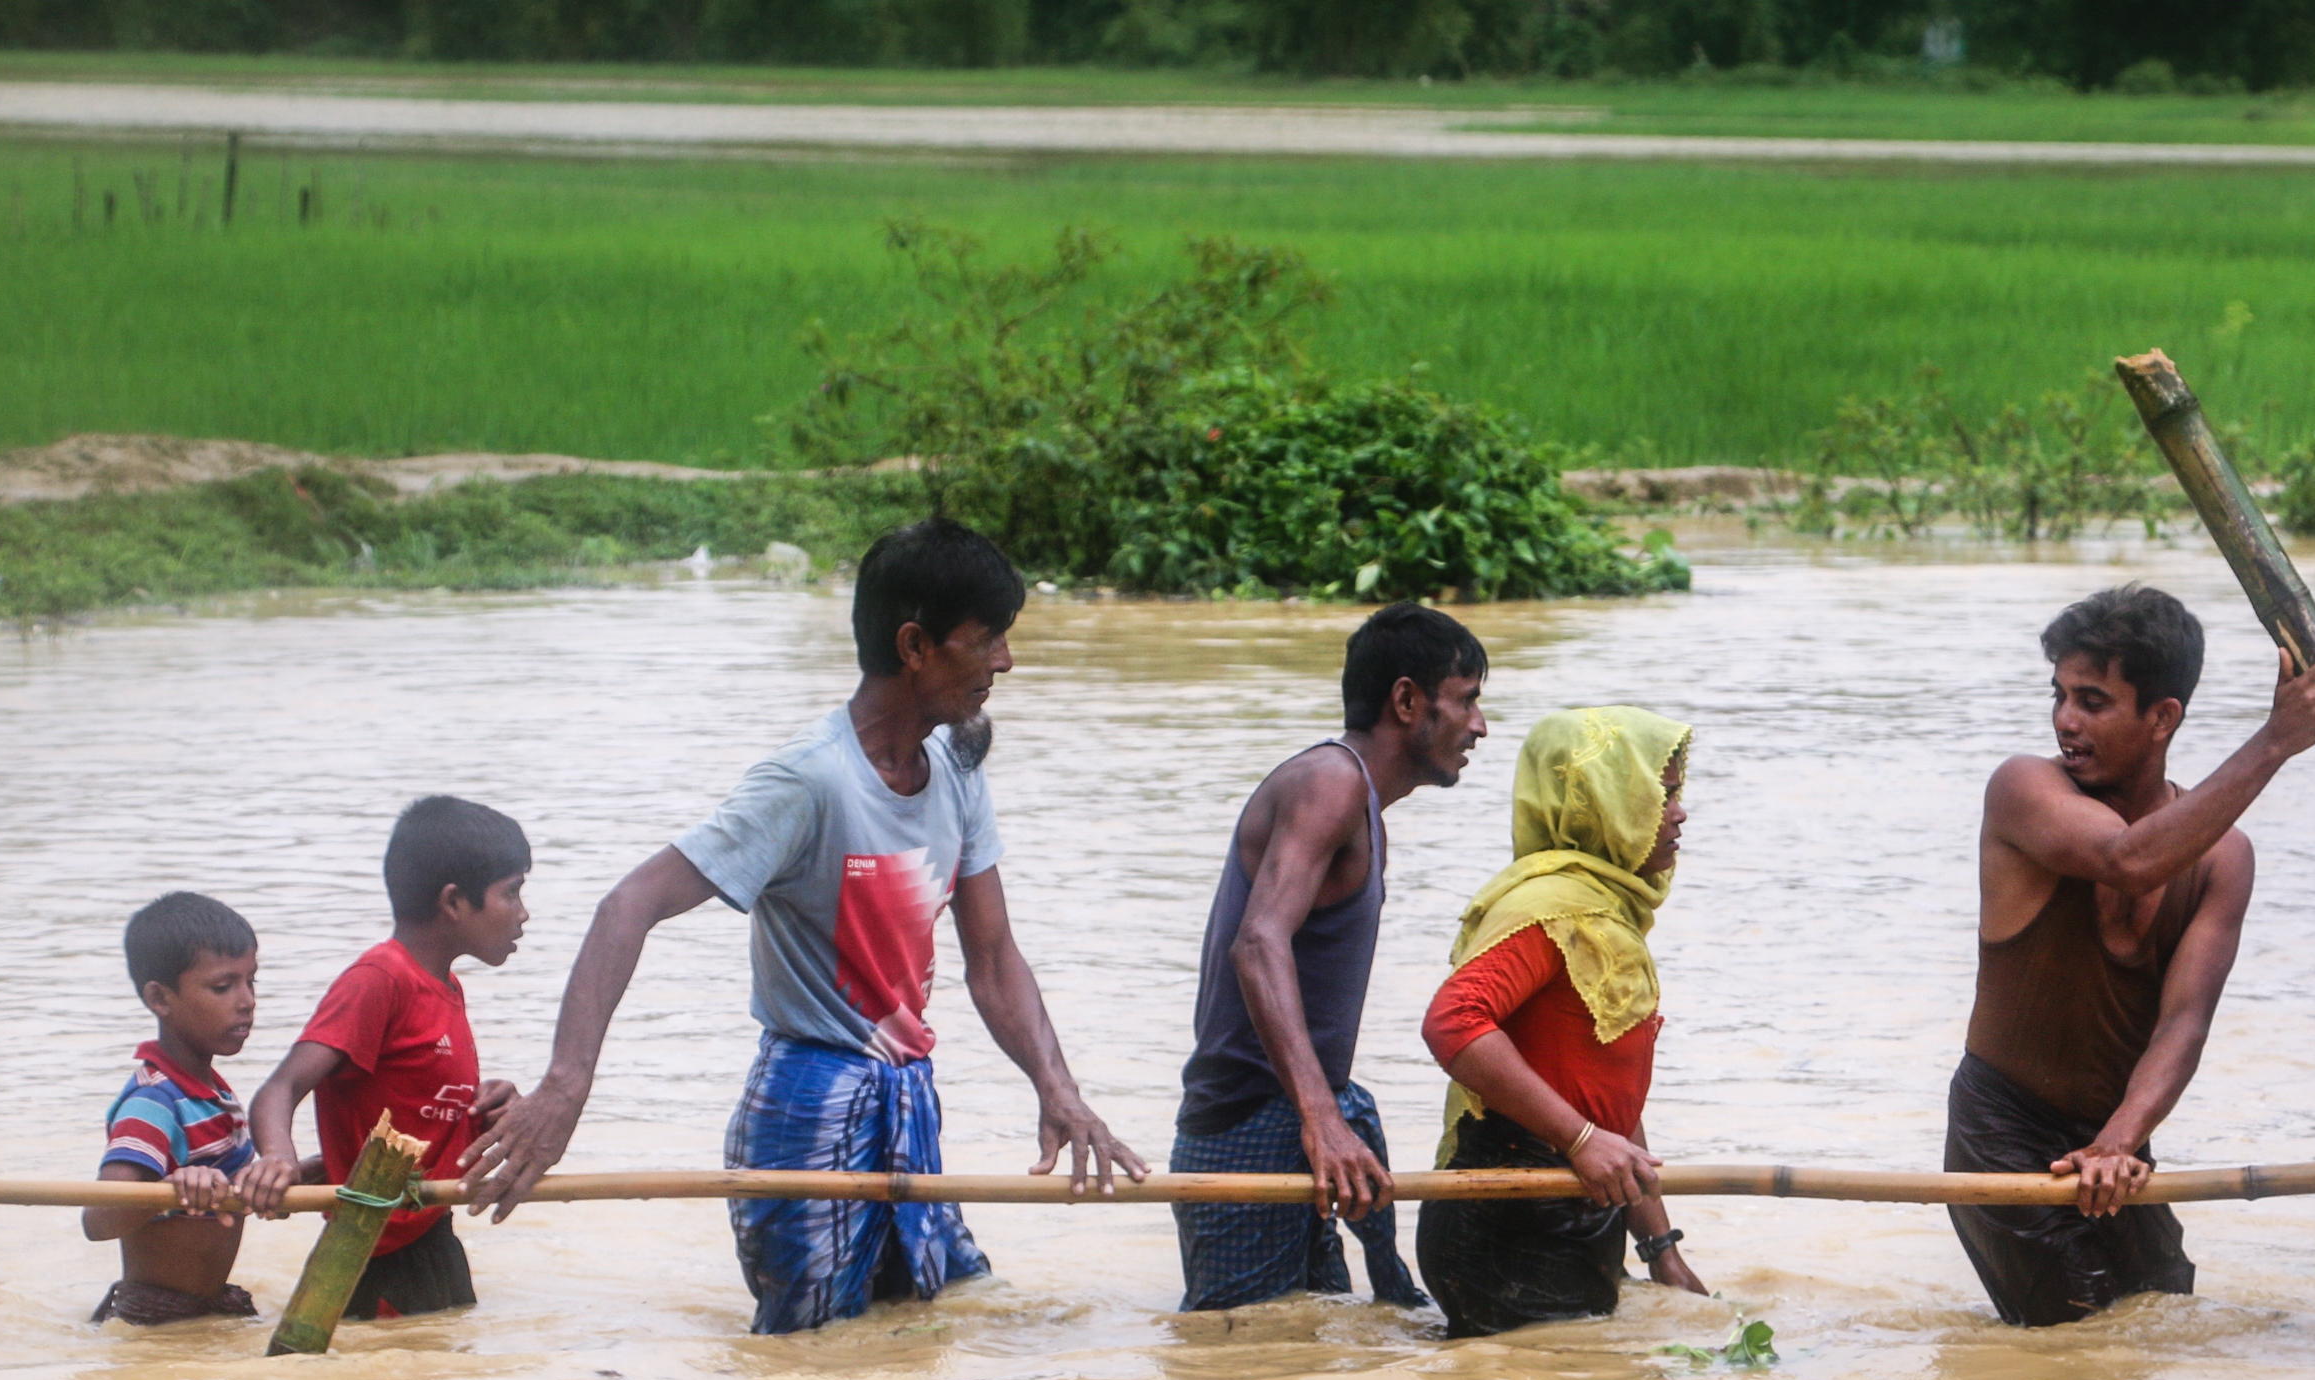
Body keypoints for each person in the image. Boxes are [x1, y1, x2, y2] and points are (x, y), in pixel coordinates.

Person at [458, 517, 1143, 1335]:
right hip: (805, 1117)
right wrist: (566, 1087)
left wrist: (1058, 1090)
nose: (1004, 660)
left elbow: (993, 961)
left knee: (929, 1343)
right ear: (916, 644)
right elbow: (630, 903)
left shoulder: (956, 766)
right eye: (986, 638)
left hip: (905, 1104)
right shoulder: (809, 780)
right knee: (809, 1372)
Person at [1949, 584, 2315, 1326]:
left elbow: (2183, 1023)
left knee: (2160, 1313)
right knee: (2081, 1337)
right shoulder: (2023, 789)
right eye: (2059, 695)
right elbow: (2127, 858)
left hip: (2116, 1133)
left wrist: (2119, 1139)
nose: (2064, 721)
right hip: (2002, 1129)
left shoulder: (2222, 861)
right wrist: (2276, 740)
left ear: (2163, 717)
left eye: (2092, 700)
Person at [1173, 602, 1488, 1312]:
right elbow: (1257, 944)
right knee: (1243, 1375)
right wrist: (1322, 1117)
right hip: (1249, 1130)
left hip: (1296, 1124)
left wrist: (1322, 1116)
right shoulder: (1332, 782)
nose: (1479, 725)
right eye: (1466, 700)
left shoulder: (1361, 807)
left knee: (1304, 1371)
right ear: (1406, 700)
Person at [1415, 705, 1711, 1337]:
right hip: (1509, 1212)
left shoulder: (1606, 911)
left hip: (1582, 1198)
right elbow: (1453, 1022)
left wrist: (1662, 1251)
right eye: (1662, 795)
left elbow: (1606, 1092)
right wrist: (1580, 1140)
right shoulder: (1548, 911)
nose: (1680, 814)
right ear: (1605, 804)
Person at [238, 796, 530, 1319]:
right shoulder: (380, 979)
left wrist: (485, 1114)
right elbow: (279, 1089)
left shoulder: (447, 989)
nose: (523, 913)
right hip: (369, 1254)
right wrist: (278, 1159)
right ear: (454, 902)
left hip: (434, 1238)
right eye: (512, 893)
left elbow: (411, 1118)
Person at [85, 892, 298, 1324]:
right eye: (223, 987)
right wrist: (175, 1186)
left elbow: (236, 1189)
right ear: (160, 999)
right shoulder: (154, 1102)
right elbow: (100, 1219)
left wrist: (296, 1172)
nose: (247, 1001)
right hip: (156, 1320)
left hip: (210, 1309)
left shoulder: (214, 1094)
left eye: (250, 981)